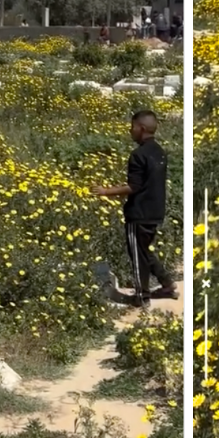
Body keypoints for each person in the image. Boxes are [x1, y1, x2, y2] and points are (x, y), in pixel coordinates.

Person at [90, 110, 176, 307]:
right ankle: (167, 284)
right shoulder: (159, 152)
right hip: (155, 211)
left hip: (139, 213)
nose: (130, 130)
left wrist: (105, 191)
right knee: (144, 250)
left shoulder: (138, 155)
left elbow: (134, 186)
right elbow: (147, 184)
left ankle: (141, 297)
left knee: (137, 255)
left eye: (132, 127)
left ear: (141, 128)